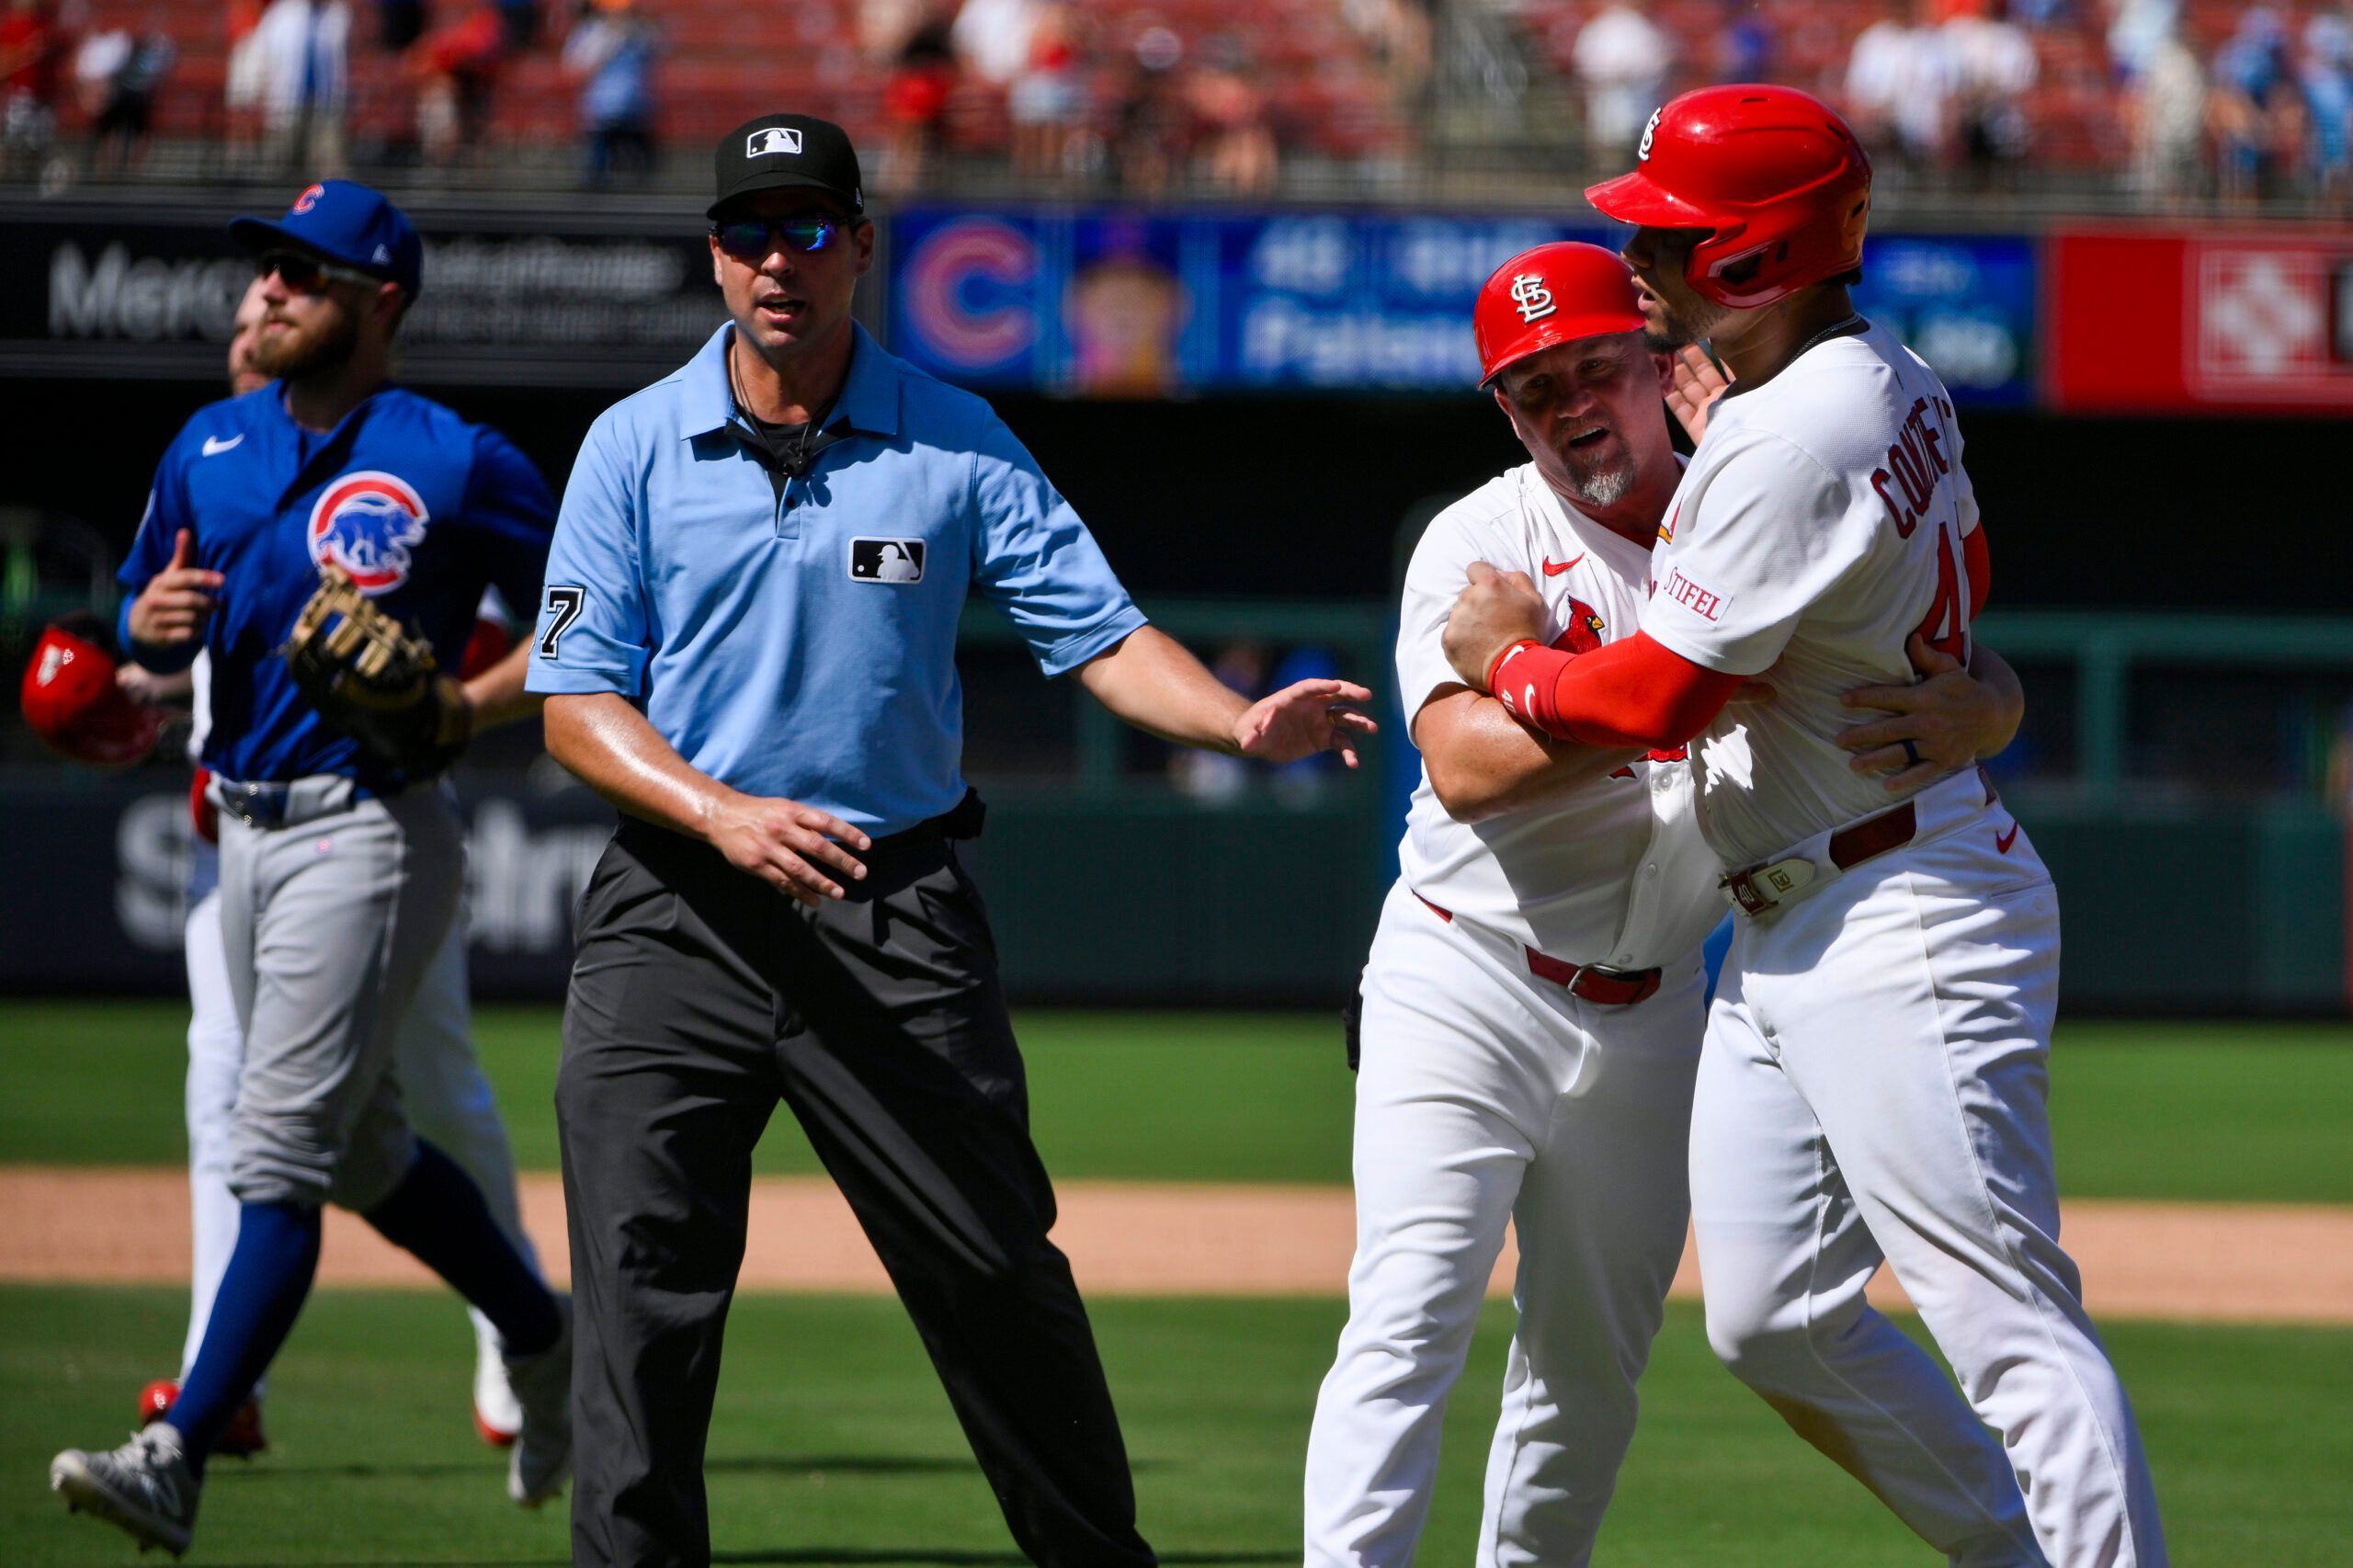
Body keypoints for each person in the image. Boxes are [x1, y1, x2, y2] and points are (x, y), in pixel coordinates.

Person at [527, 112, 1375, 1568]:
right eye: (748, 229)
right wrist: (721, 813)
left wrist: (1236, 723)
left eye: (808, 227)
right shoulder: (632, 448)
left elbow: (1102, 637)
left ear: (862, 243)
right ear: (713, 254)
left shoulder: (957, 439)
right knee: (634, 1286)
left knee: (991, 1269)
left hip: (889, 903)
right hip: (678, 909)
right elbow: (573, 702)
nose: (777, 257)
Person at [1440, 85, 2166, 1567]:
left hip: (1901, 903)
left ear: (1762, 256)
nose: (1637, 255)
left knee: (2011, 1329)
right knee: (1775, 1317)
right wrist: (1993, 697)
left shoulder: (1790, 434)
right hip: (1797, 907)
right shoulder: (1871, 376)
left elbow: (1652, 702)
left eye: (1671, 232)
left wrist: (1507, 658)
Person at [1302, 243, 2020, 1567]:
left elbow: (1949, 645)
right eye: (1531, 390)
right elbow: (1462, 766)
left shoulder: (1752, 498)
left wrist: (1997, 699)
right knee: (1406, 1318)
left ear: (1660, 360)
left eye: (1592, 367)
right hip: (1466, 974)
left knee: (1587, 1376)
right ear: (1506, 415)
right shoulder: (1482, 541)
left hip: (1656, 1011)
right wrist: (1646, 688)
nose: (1570, 405)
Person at [49, 178, 574, 1558]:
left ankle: (179, 1448)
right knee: (369, 1148)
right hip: (237, 832)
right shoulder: (209, 441)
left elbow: (600, 614)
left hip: (372, 823)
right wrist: (144, 625)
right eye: (266, 270)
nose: (269, 290)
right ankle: (541, 1333)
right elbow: (145, 620)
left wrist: (468, 703)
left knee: (273, 1141)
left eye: (303, 273)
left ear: (377, 298)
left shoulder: (451, 459)